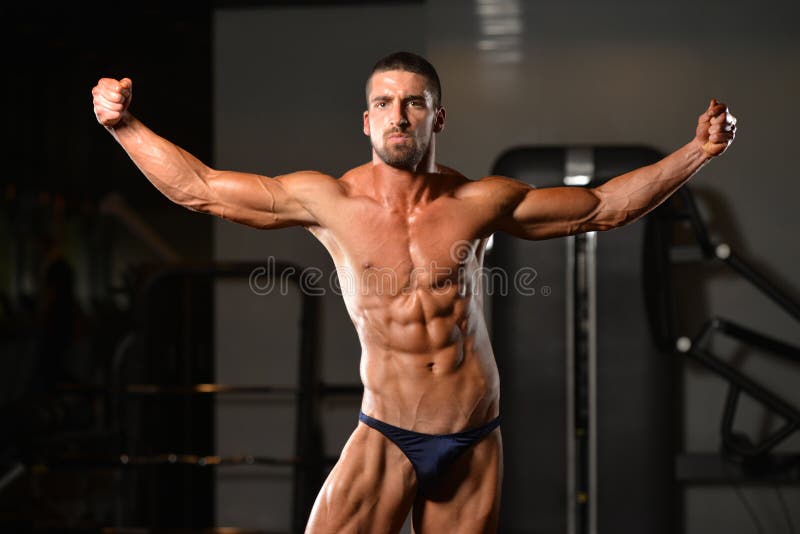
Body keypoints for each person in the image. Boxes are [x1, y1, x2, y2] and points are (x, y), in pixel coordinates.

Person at [92, 51, 736, 533]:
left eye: (414, 103)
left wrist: (698, 151)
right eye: (384, 103)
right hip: (389, 430)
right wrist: (124, 126)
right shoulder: (329, 201)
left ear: (437, 117)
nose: (398, 115)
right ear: (366, 120)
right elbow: (201, 190)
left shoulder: (481, 201)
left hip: (472, 436)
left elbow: (601, 207)